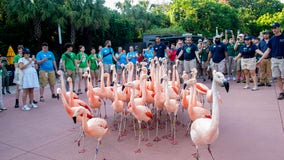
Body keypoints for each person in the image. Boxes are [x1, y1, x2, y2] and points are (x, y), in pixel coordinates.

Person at [257, 22, 284, 100]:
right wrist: (260, 59)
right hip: (274, 60)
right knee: (278, 77)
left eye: (275, 28)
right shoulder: (272, 39)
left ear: (279, 28)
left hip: (282, 59)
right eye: (272, 28)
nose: (274, 29)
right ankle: (281, 92)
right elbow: (268, 50)